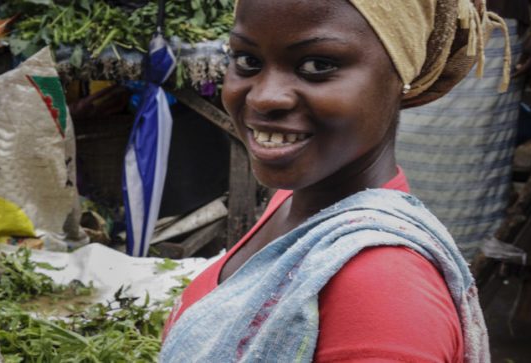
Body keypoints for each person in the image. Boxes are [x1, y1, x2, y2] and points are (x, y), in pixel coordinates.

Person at [160, 0, 505, 361]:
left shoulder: (384, 295)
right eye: (248, 60)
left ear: (403, 75)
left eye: (317, 66)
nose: (264, 97)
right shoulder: (297, 203)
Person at [396, 0, 531, 259]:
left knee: (475, 154)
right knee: (404, 140)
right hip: (412, 24)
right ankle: (399, 245)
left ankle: (467, 259)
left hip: (490, 29)